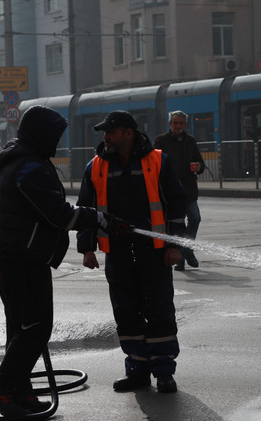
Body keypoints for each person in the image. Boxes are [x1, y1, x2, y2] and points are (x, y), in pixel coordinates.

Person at [0, 105, 131, 418]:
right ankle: (2, 391)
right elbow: (58, 214)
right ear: (41, 136)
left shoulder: (21, 158)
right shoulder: (29, 167)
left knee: (22, 328)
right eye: (54, 136)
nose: (58, 143)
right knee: (35, 329)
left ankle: (19, 392)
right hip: (22, 258)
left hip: (14, 255)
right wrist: (101, 220)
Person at [77, 110, 188, 394]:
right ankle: (137, 370)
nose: (105, 137)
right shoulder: (95, 167)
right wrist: (87, 247)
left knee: (160, 309)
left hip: (155, 252)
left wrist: (174, 246)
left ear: (128, 133)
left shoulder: (157, 161)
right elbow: (86, 209)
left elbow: (176, 205)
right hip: (118, 252)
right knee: (126, 312)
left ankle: (164, 372)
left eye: (111, 131)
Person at [153, 111, 205, 271]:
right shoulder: (161, 141)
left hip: (188, 190)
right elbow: (154, 164)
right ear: (170, 124)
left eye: (181, 123)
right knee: (177, 224)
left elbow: (201, 163)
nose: (178, 126)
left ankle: (186, 249)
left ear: (185, 125)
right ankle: (180, 256)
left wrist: (198, 167)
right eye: (175, 123)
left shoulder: (190, 141)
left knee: (195, 218)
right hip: (170, 191)